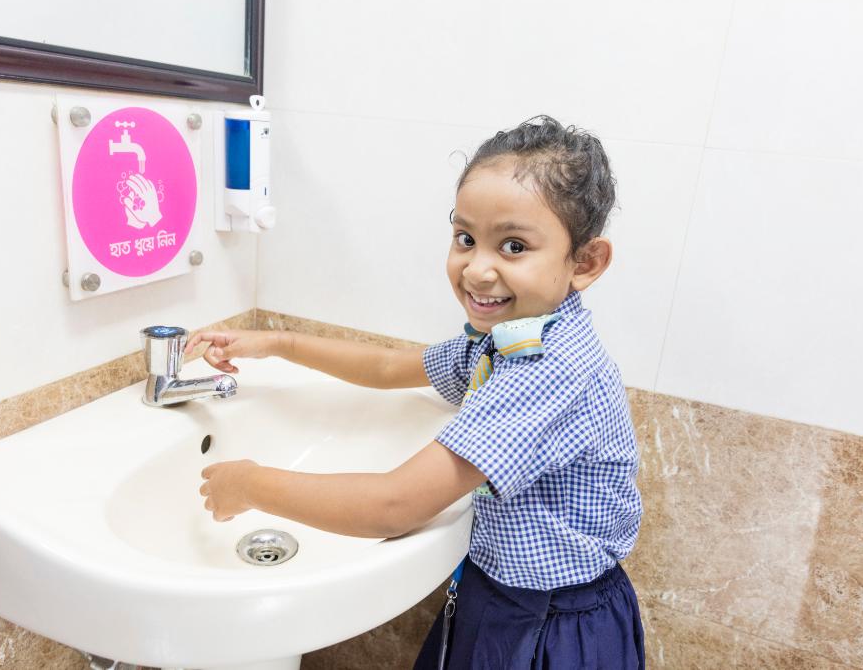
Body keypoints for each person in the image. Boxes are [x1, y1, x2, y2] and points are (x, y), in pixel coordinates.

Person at [185, 115, 645, 669]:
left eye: (514, 246)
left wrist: (252, 484)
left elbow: (393, 504)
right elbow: (386, 367)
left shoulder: (546, 370)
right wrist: (276, 343)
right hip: (503, 599)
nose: (477, 269)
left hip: (552, 629)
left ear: (585, 262)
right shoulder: (503, 340)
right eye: (466, 238)